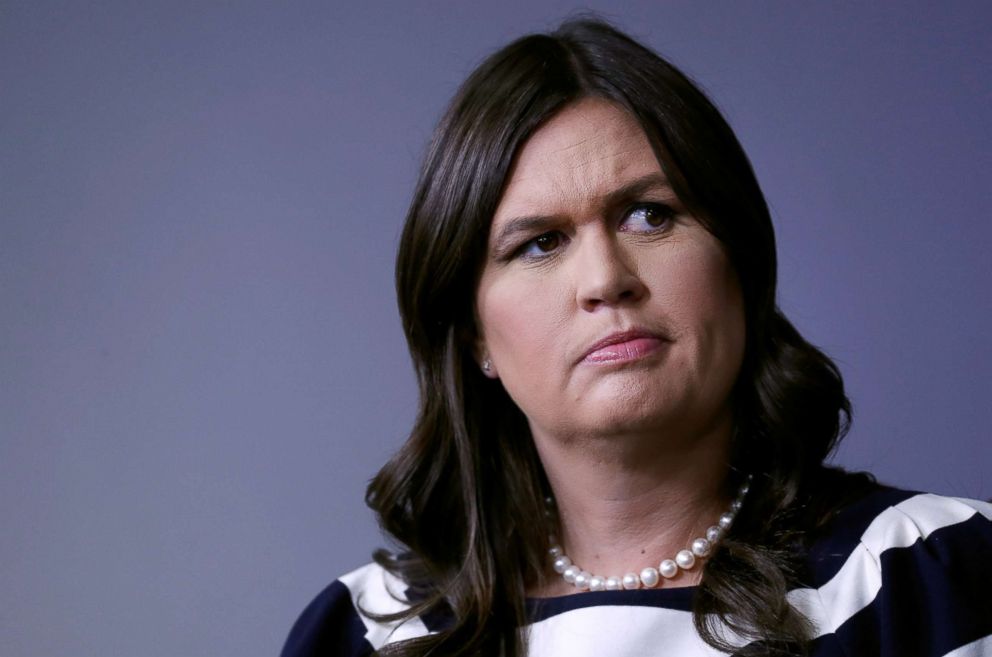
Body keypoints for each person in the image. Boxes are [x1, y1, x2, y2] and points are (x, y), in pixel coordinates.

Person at [281, 18, 992, 657]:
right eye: (540, 243)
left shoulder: (932, 572)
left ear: (739, 266)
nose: (605, 279)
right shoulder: (367, 633)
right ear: (475, 339)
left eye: (650, 215)